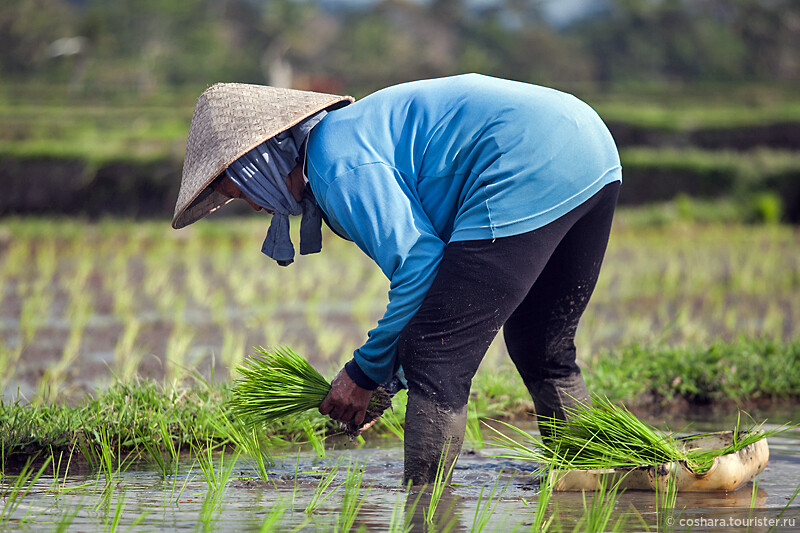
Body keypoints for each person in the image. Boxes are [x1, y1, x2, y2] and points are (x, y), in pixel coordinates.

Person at [172, 73, 621, 486]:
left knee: (437, 355)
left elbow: (420, 267)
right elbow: (442, 277)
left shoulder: (337, 164)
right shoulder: (345, 138)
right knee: (541, 346)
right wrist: (387, 379)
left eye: (239, 190)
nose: (251, 205)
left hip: (523, 160)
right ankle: (587, 481)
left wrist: (363, 373)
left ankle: (426, 506)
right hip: (588, 147)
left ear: (260, 160)